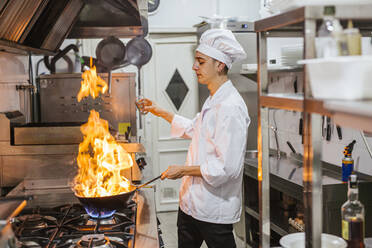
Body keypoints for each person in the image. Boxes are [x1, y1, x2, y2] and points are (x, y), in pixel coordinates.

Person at [137, 28, 250, 248]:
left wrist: (183, 170)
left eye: (200, 61)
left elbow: (226, 168)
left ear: (219, 65)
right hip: (190, 205)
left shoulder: (231, 107)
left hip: (213, 209)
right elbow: (194, 128)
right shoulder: (214, 99)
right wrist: (159, 111)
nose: (194, 66)